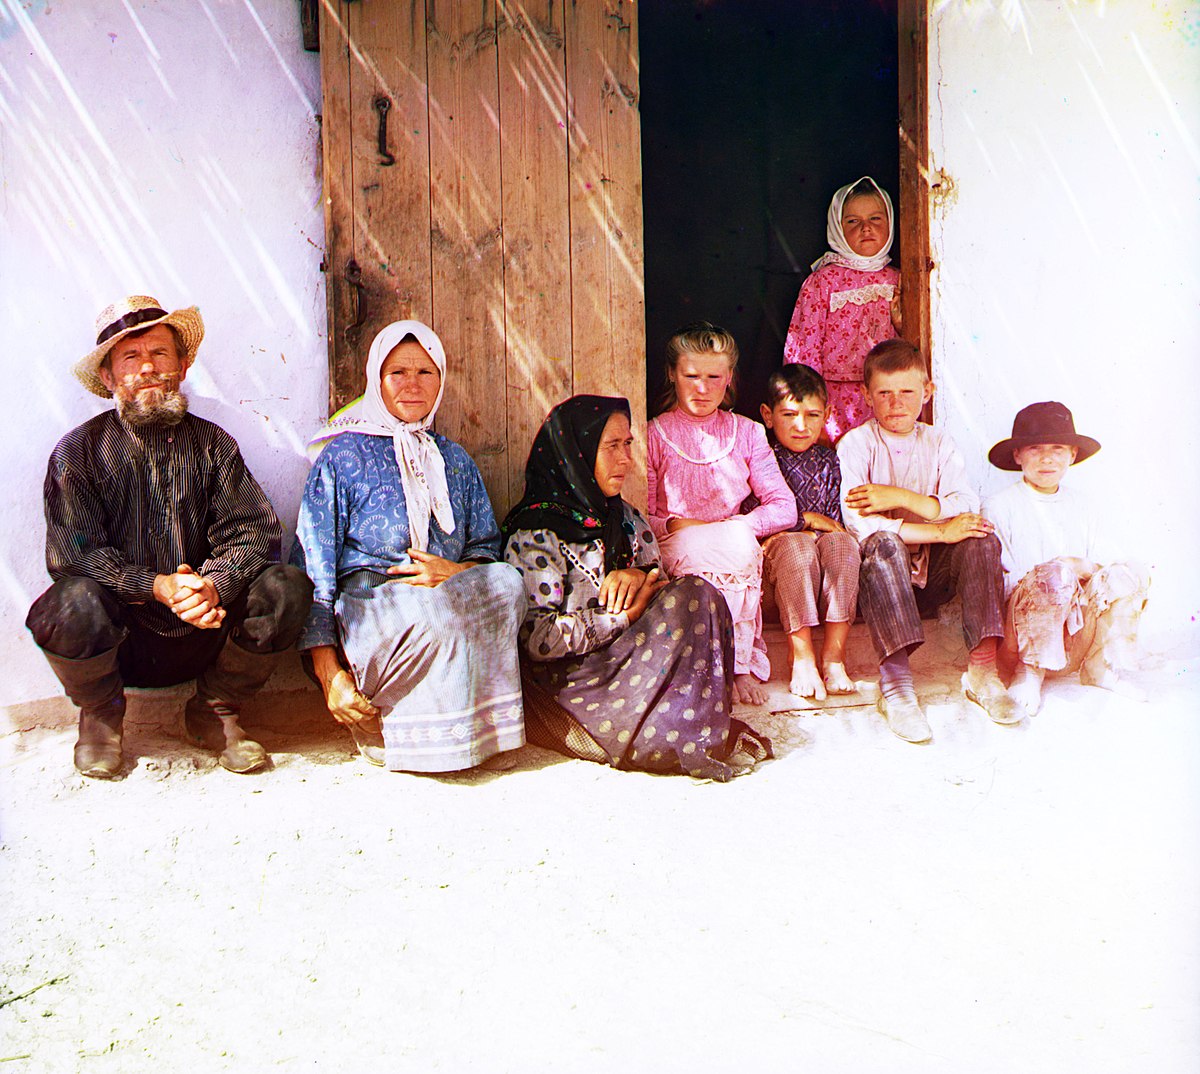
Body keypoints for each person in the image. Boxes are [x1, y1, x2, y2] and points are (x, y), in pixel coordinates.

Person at [26, 295, 314, 779]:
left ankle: (215, 709)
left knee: (287, 587)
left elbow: (254, 532)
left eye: (160, 353)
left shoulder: (214, 443)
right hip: (123, 642)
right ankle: (100, 716)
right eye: (131, 358)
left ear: (182, 365)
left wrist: (210, 586)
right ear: (109, 378)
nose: (148, 368)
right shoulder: (77, 453)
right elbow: (74, 557)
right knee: (68, 603)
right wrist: (158, 586)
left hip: (209, 630)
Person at [292, 319, 525, 773]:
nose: (412, 385)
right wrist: (328, 672)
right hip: (371, 608)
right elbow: (314, 563)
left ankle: (475, 737)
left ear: (441, 380)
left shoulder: (453, 459)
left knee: (510, 584)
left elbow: (485, 546)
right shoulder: (342, 457)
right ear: (376, 380)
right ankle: (387, 726)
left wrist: (454, 573)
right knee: (433, 611)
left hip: (448, 596)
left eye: (426, 372)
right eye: (398, 372)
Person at [502, 395, 771, 781]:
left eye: (627, 444)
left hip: (632, 664)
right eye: (611, 446)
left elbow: (660, 591)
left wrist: (640, 578)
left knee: (698, 595)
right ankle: (667, 733)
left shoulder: (624, 517)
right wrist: (620, 616)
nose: (626, 459)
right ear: (574, 453)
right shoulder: (536, 533)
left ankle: (676, 727)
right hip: (573, 683)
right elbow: (538, 639)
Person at [838, 339, 1023, 743]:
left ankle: (983, 670)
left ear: (928, 391)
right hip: (881, 583)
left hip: (931, 575)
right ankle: (897, 686)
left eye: (907, 392)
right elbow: (862, 525)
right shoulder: (856, 444)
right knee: (884, 543)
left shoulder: (938, 442)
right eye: (884, 393)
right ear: (867, 396)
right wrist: (938, 529)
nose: (896, 403)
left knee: (978, 537)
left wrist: (902, 498)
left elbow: (964, 501)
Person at [646, 323, 797, 706]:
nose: (702, 387)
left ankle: (738, 666)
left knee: (737, 545)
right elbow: (641, 514)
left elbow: (784, 507)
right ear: (671, 374)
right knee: (714, 546)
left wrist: (739, 525)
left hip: (731, 541)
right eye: (691, 376)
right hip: (677, 543)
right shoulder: (653, 434)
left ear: (729, 378)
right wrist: (673, 524)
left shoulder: (746, 433)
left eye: (714, 376)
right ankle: (699, 668)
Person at [983, 401, 1150, 715]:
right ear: (1017, 455)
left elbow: (1102, 561)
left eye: (1058, 448)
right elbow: (1003, 578)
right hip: (1024, 626)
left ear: (1072, 454)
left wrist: (1078, 567)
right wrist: (1058, 574)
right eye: (1034, 448)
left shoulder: (1083, 505)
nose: (1047, 458)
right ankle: (1030, 671)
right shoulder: (1000, 506)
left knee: (1131, 573)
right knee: (1055, 576)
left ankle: (1098, 665)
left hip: (1076, 627)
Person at [747, 364, 860, 700]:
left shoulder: (830, 462)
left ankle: (834, 657)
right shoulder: (758, 456)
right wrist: (806, 521)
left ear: (827, 414)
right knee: (796, 545)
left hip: (820, 574)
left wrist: (819, 529)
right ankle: (802, 656)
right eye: (789, 414)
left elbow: (837, 524)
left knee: (842, 543)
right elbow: (750, 517)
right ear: (767, 415)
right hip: (774, 576)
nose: (801, 426)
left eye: (812, 415)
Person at [783, 176, 902, 442]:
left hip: (887, 396)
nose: (866, 228)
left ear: (890, 222)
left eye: (875, 219)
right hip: (834, 401)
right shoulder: (822, 282)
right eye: (852, 221)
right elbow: (803, 350)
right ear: (837, 226)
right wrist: (809, 407)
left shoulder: (899, 280)